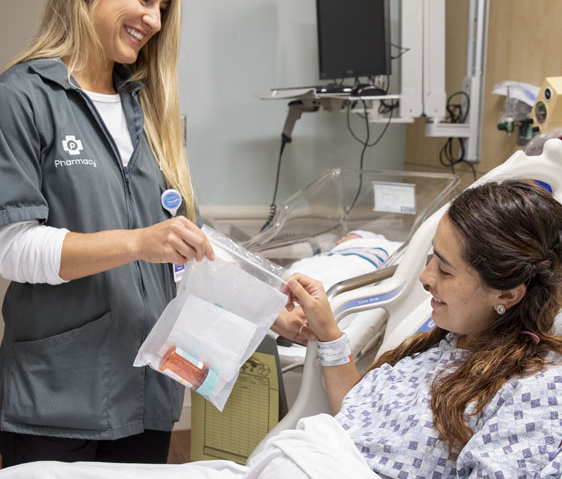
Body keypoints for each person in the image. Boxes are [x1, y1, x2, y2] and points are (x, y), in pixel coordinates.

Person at [0, 0, 307, 468]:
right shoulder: (23, 97)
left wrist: (269, 314)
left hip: (148, 391)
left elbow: (184, 255)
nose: (154, 19)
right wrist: (139, 242)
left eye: (162, 7)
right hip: (56, 397)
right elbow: (13, 249)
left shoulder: (150, 110)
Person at [2, 179, 562, 477]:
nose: (424, 278)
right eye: (430, 257)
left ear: (508, 293)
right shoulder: (441, 347)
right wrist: (329, 330)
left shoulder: (535, 391)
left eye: (444, 268)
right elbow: (356, 417)